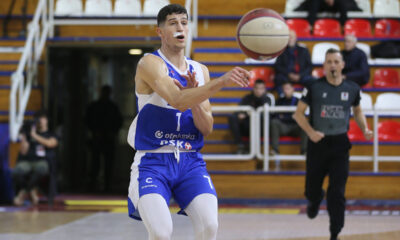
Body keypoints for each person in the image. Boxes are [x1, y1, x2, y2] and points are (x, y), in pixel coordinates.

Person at [126, 4, 250, 240]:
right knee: (162, 233)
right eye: (173, 23)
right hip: (153, 160)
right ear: (160, 32)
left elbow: (206, 127)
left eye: (184, 22)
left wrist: (198, 96)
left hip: (190, 161)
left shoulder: (200, 70)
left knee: (210, 225)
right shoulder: (150, 64)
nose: (180, 27)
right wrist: (221, 82)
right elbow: (177, 100)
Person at [293, 48, 373, 240]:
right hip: (318, 143)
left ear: (342, 65)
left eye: (336, 62)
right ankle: (314, 200)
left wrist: (365, 129)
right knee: (312, 189)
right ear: (324, 66)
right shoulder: (314, 87)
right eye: (329, 62)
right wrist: (311, 133)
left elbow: (358, 112)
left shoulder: (352, 88)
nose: (333, 65)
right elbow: (298, 114)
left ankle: (335, 231)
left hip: (340, 144)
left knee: (337, 192)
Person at [12, 111, 58, 205]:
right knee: (17, 171)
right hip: (28, 161)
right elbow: (23, 151)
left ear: (46, 120)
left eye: (42, 118)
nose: (40, 121)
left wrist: (35, 136)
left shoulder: (51, 134)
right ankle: (31, 190)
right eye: (38, 119)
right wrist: (24, 136)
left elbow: (50, 144)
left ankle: (23, 192)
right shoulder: (30, 134)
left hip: (42, 161)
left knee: (41, 169)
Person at [85, 85, 123, 192]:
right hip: (97, 137)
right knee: (95, 163)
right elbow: (88, 120)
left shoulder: (112, 107)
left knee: (108, 164)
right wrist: (94, 131)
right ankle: (93, 184)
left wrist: (113, 132)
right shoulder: (95, 106)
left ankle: (107, 185)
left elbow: (118, 121)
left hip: (108, 138)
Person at [228, 79, 271, 154]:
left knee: (256, 121)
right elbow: (239, 111)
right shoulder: (247, 98)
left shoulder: (267, 99)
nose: (258, 90)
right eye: (257, 88)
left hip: (260, 128)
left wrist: (247, 114)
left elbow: (264, 116)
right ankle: (240, 145)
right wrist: (241, 114)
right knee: (233, 117)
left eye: (261, 88)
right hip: (246, 126)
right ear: (254, 88)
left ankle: (251, 149)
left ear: (264, 89)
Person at [270, 82, 307, 155]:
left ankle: (304, 151)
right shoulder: (279, 101)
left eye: (288, 89)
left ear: (293, 89)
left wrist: (284, 117)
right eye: (284, 89)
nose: (286, 91)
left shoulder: (298, 101)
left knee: (305, 124)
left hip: (295, 127)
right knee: (274, 122)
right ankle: (275, 150)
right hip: (283, 127)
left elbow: (300, 116)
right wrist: (291, 116)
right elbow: (276, 116)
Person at [274, 30, 313, 97]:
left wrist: (300, 75)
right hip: (287, 77)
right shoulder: (282, 51)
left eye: (291, 37)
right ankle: (282, 98)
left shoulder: (304, 50)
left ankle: (308, 98)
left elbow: (309, 66)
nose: (290, 39)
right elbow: (278, 66)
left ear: (296, 38)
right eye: (288, 37)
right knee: (278, 78)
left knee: (313, 81)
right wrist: (289, 74)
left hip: (301, 76)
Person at [295, 0, 361, 27]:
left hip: (335, 3)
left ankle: (343, 27)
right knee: (314, 3)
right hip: (321, 3)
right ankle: (311, 26)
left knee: (342, 3)